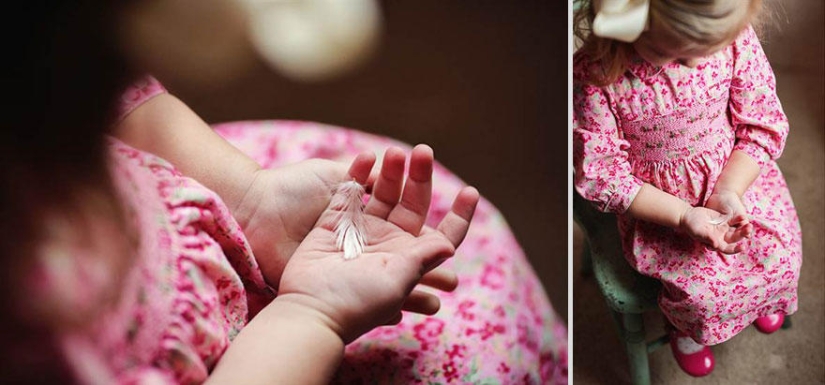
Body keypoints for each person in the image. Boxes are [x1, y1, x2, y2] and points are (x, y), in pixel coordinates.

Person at [1, 3, 566, 384]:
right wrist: (311, 314)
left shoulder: (49, 71)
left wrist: (247, 198)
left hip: (211, 204)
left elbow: (117, 97)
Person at [573, 0, 801, 378]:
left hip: (736, 176)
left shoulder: (734, 40)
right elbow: (604, 176)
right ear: (630, 26)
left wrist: (729, 190)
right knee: (699, 294)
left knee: (781, 256)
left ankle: (763, 299)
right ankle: (685, 330)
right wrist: (684, 215)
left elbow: (761, 125)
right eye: (670, 52)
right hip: (660, 205)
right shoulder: (597, 77)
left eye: (707, 50)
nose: (695, 64)